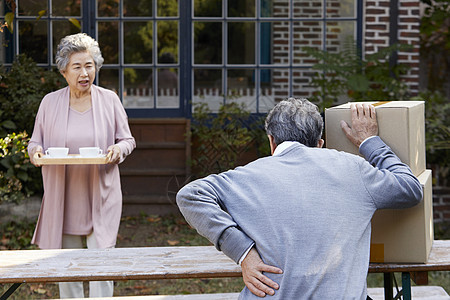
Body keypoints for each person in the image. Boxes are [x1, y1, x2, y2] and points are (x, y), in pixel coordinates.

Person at [176, 98, 423, 299]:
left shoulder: (245, 176)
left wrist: (243, 253)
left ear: (271, 142)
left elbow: (189, 195)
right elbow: (410, 188)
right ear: (319, 143)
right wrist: (370, 142)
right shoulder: (354, 169)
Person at [28, 33, 136, 298]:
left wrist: (117, 149)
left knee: (102, 269)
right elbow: (34, 143)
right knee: (68, 269)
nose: (85, 72)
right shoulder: (49, 103)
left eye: (90, 65)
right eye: (77, 66)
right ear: (64, 70)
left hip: (101, 195)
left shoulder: (109, 100)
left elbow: (127, 139)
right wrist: (36, 153)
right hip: (64, 199)